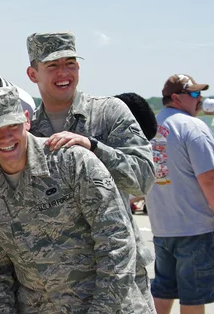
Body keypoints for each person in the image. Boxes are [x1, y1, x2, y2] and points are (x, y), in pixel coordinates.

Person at [0, 86, 144, 313]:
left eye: (13, 125)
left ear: (27, 120)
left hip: (108, 307)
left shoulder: (72, 162)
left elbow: (116, 243)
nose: (6, 136)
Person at [25, 31, 156, 312]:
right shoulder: (28, 132)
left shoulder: (109, 113)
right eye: (52, 66)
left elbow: (142, 179)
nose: (64, 73)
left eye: (70, 63)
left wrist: (94, 148)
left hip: (117, 278)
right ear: (33, 74)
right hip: (56, 288)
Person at [146, 74, 214, 314]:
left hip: (162, 227)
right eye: (194, 94)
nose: (200, 99)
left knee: (163, 290)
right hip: (195, 227)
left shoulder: (152, 127)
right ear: (176, 98)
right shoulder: (193, 127)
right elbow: (209, 178)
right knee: (193, 296)